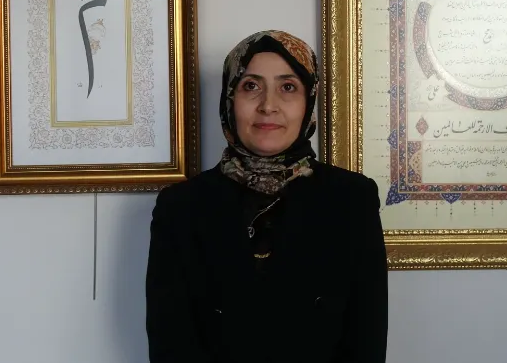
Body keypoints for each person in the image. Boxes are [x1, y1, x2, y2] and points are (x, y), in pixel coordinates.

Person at [146, 30, 389, 363]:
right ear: (230, 98)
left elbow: (366, 339)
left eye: (288, 87)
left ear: (309, 101)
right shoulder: (181, 207)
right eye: (251, 86)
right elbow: (169, 344)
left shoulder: (352, 199)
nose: (268, 106)